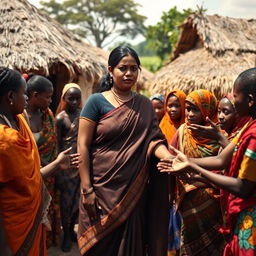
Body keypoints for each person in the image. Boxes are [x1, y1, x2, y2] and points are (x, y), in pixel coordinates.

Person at [77, 46, 174, 256]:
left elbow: (153, 142)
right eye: (123, 68)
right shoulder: (96, 102)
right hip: (99, 190)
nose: (129, 73)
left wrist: (170, 159)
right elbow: (82, 145)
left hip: (133, 192)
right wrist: (87, 190)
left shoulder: (144, 105)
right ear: (111, 70)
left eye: (134, 68)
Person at [159, 68, 256, 256]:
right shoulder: (248, 128)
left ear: (250, 100)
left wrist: (193, 167)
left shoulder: (252, 135)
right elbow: (221, 160)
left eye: (235, 96)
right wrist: (188, 161)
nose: (233, 101)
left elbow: (243, 187)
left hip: (249, 217)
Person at [0, 67, 80, 255]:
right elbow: (26, 182)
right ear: (11, 96)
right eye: (23, 94)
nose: (27, 98)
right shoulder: (6, 140)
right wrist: (57, 165)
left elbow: (30, 178)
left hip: (28, 214)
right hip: (12, 224)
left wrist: (57, 164)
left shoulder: (17, 121)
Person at [168, 89, 225, 255]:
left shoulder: (219, 135)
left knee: (215, 245)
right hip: (189, 201)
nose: (190, 114)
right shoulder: (182, 132)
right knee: (190, 243)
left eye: (195, 109)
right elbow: (172, 164)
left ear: (207, 110)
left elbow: (223, 170)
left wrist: (197, 177)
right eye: (188, 109)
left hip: (215, 203)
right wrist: (171, 194)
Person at [25, 74, 61, 247]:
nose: (50, 100)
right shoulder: (20, 119)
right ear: (34, 95)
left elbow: (53, 145)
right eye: (47, 97)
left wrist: (53, 166)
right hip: (28, 178)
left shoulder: (48, 116)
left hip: (50, 176)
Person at [55, 83, 82, 252]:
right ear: (64, 99)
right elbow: (57, 145)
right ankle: (66, 235)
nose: (73, 101)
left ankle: (72, 230)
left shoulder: (83, 116)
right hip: (66, 167)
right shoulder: (60, 119)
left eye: (77, 98)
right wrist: (58, 169)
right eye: (70, 98)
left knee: (77, 203)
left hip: (81, 165)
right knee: (65, 203)